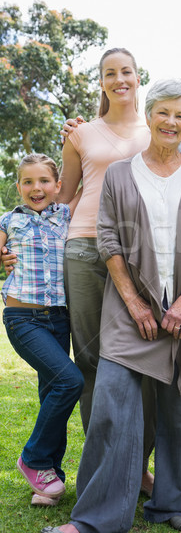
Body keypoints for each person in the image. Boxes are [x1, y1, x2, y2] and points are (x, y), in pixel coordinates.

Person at [41, 79, 181, 533]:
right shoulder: (121, 173)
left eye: (180, 115)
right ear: (149, 115)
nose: (171, 122)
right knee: (111, 407)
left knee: (178, 414)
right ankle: (97, 518)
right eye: (163, 112)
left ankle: (173, 505)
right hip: (128, 308)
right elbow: (108, 239)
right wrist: (135, 304)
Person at [0, 154, 84, 508]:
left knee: (51, 393)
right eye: (28, 182)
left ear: (58, 185)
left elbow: (92, 178)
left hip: (58, 318)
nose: (37, 188)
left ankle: (49, 478)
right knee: (70, 382)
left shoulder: (65, 214)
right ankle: (33, 458)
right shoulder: (8, 220)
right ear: (18, 187)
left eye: (44, 181)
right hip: (23, 319)